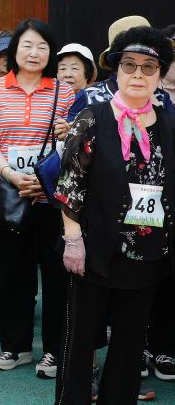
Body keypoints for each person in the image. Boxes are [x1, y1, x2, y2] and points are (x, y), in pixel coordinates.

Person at [55, 26, 175, 404]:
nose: (138, 74)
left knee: (128, 347)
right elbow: (69, 185)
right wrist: (73, 242)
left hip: (148, 254)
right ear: (117, 71)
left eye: (149, 67)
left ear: (159, 75)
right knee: (79, 346)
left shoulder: (171, 124)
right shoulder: (92, 118)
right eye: (130, 66)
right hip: (94, 251)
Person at [0, 19, 75, 378]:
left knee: (55, 276)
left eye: (42, 47)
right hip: (9, 192)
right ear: (14, 51)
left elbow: (73, 142)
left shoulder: (63, 91)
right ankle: (15, 347)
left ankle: (53, 350)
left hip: (51, 198)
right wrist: (9, 173)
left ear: (51, 53)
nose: (34, 53)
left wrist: (42, 181)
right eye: (27, 46)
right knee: (10, 272)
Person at [69, 16, 175, 121]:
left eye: (148, 66)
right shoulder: (88, 96)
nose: (138, 74)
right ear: (115, 64)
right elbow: (71, 130)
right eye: (129, 64)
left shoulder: (161, 98)